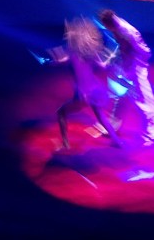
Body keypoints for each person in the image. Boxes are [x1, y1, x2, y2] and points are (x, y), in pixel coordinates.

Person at [50, 17, 123, 149]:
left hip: (83, 93)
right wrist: (111, 60)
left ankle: (65, 143)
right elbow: (103, 66)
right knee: (100, 116)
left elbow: (61, 63)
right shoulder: (92, 53)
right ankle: (117, 141)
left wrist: (52, 61)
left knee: (61, 112)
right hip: (96, 91)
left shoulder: (71, 54)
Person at [98, 9, 154, 146]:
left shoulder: (128, 32)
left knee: (143, 101)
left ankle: (152, 134)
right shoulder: (116, 28)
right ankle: (113, 126)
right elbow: (121, 48)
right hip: (127, 67)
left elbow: (144, 51)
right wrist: (112, 63)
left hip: (136, 68)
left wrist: (135, 69)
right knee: (123, 96)